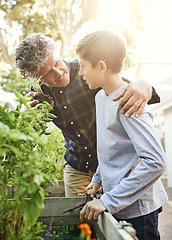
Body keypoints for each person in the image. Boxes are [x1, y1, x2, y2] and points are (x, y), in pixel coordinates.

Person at [15, 33, 160, 198]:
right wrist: (25, 116)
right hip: (77, 164)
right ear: (36, 78)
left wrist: (144, 86)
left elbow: (126, 87)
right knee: (77, 218)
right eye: (47, 74)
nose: (58, 73)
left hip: (112, 162)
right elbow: (26, 128)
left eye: (56, 63)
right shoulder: (39, 94)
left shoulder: (89, 70)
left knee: (114, 215)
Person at [76, 30, 168, 240]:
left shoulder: (129, 101)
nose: (80, 72)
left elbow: (155, 162)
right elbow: (110, 145)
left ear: (101, 66)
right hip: (118, 203)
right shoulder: (101, 97)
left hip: (139, 211)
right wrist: (99, 178)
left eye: (82, 65)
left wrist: (108, 201)